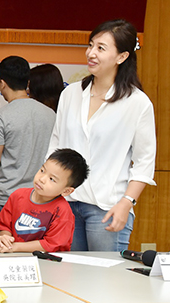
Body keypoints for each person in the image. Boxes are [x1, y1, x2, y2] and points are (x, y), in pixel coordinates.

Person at [48, 19, 156, 252]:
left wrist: (127, 203)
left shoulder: (137, 103)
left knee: (104, 284)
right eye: (90, 45)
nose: (91, 53)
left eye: (101, 48)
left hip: (107, 208)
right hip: (66, 203)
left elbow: (145, 161)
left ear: (122, 57)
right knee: (67, 279)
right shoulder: (71, 94)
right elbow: (56, 144)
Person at [0, 56, 56, 249]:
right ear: (27, 83)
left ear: (2, 83)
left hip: (6, 200)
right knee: (36, 260)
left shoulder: (1, 116)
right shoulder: (50, 114)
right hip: (40, 200)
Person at [0, 148, 89, 253]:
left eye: (52, 179)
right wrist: (5, 238)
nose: (42, 179)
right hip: (15, 258)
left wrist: (15, 247)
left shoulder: (63, 211)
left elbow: (51, 244)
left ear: (66, 191)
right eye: (42, 171)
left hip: (47, 264)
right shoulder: (17, 195)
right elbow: (5, 225)